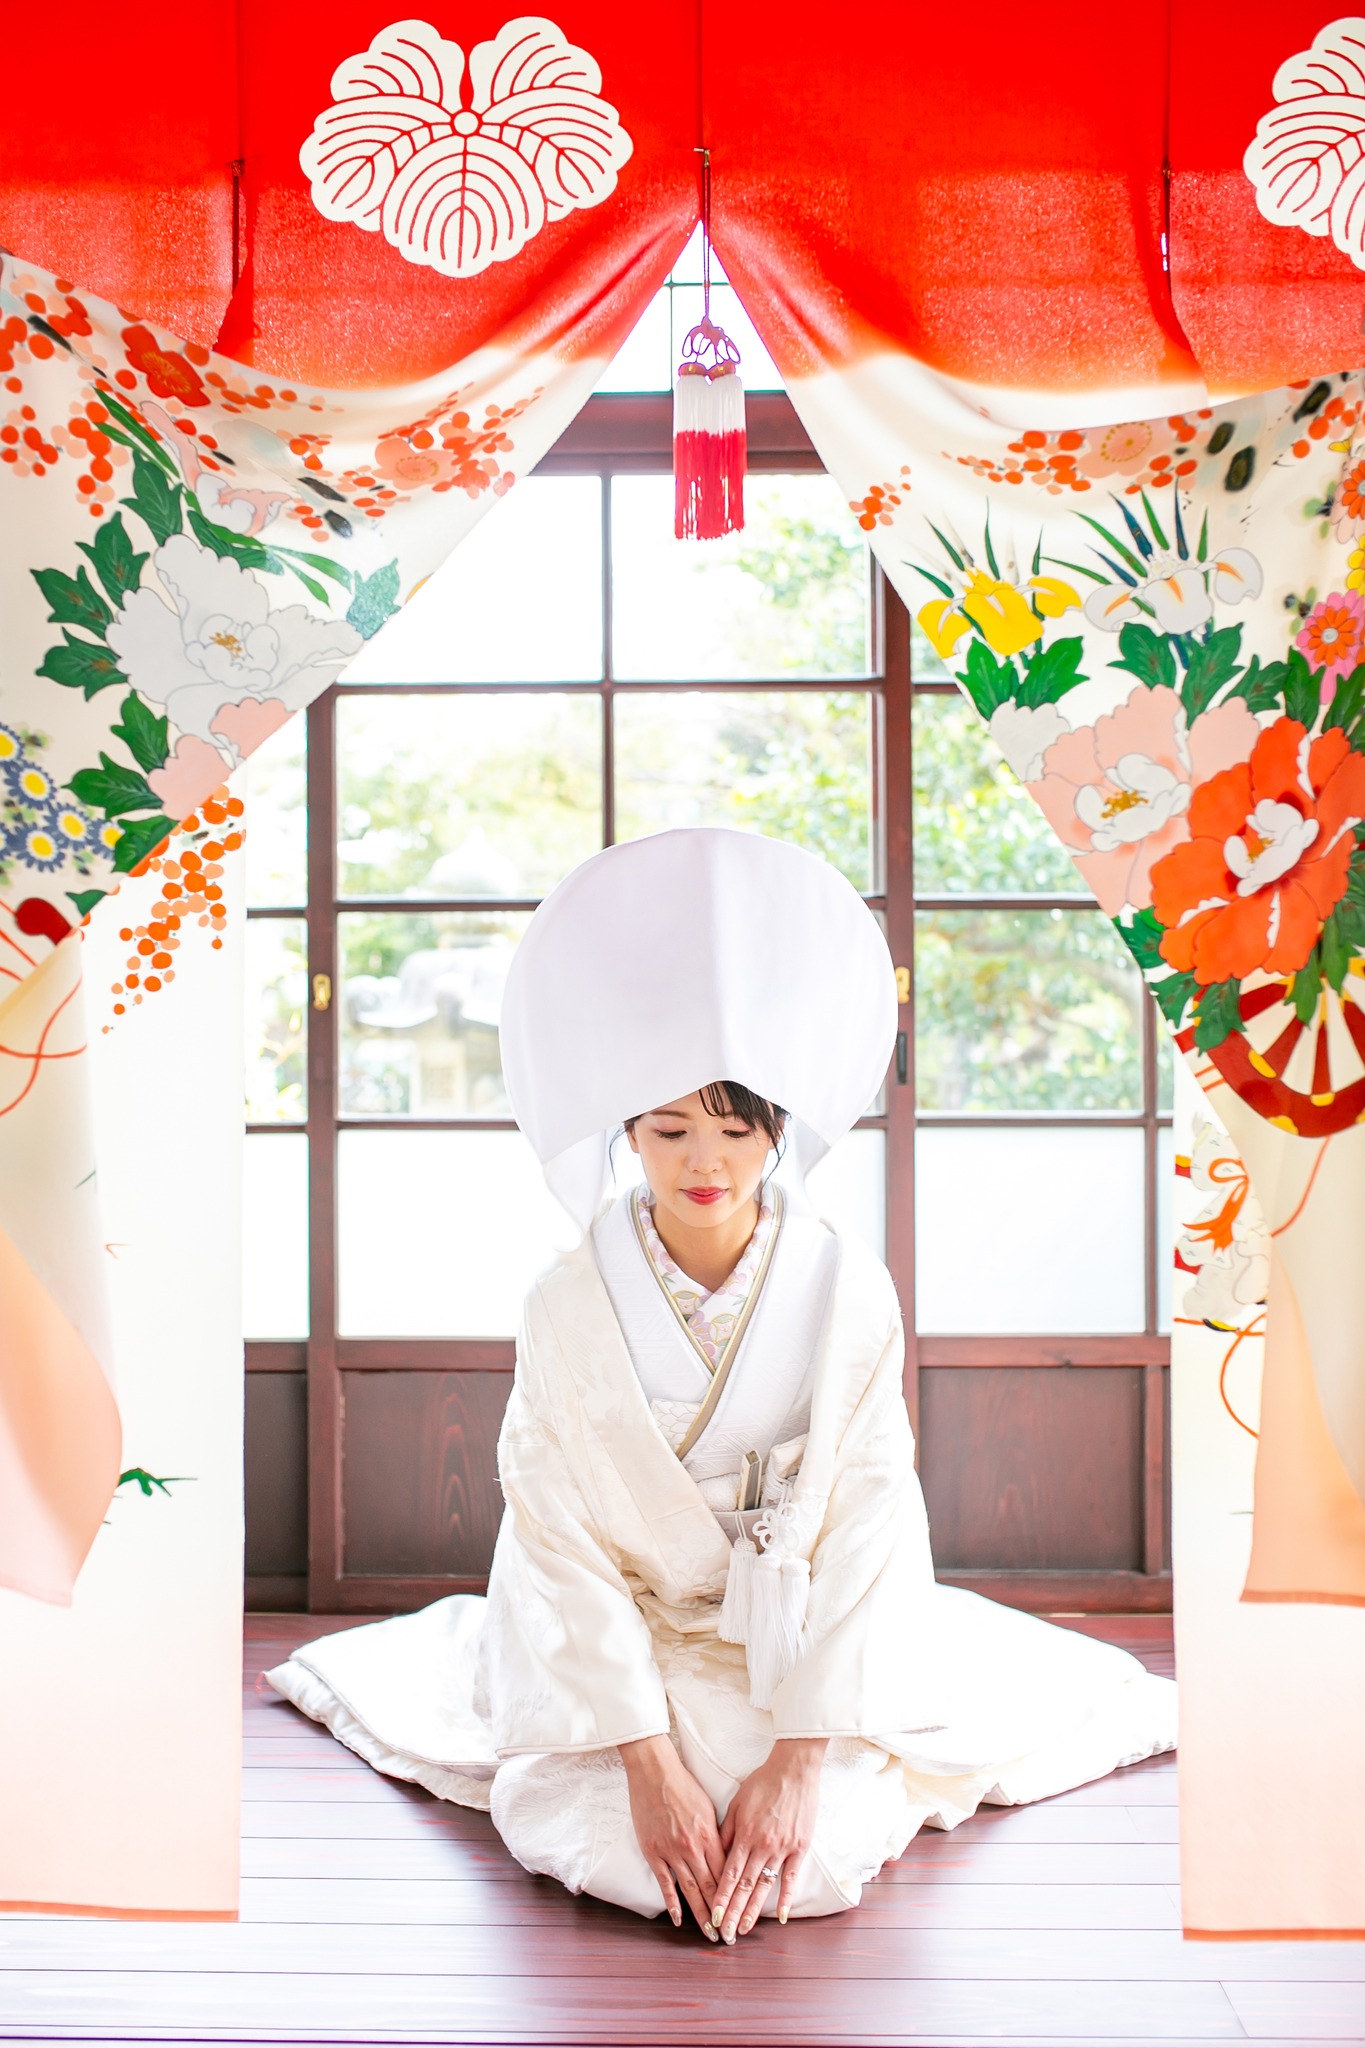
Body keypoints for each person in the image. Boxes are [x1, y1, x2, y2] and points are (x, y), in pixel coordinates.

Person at [268, 828, 1175, 1940]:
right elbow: (553, 1534)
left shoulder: (846, 1289)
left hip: (797, 1640)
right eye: (670, 1129)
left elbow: (872, 1515)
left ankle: (792, 1758)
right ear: (627, 1131)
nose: (705, 1163)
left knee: (818, 1846)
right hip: (620, 1644)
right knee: (620, 1845)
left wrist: (801, 1755)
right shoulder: (567, 1303)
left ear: (777, 1130)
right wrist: (645, 1760)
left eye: (737, 1131)